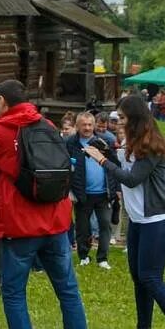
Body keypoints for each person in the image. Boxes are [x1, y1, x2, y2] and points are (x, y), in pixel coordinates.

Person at [0, 80, 93, 329]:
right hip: (55, 220)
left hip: (20, 225)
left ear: (1, 101)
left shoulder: (2, 132)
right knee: (68, 291)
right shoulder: (46, 124)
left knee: (14, 292)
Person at [84, 95, 165, 329]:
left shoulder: (152, 145)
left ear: (135, 117)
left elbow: (132, 179)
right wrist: (109, 151)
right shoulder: (132, 142)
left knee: (151, 277)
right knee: (138, 276)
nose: (117, 122)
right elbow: (124, 161)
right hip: (139, 219)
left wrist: (101, 160)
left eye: (121, 117)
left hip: (157, 220)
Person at [67, 112, 112, 269]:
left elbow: (114, 165)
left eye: (89, 124)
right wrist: (69, 191)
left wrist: (115, 189)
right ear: (77, 126)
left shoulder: (104, 141)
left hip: (103, 193)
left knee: (105, 224)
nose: (87, 128)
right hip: (82, 193)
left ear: (94, 125)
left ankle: (102, 258)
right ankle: (84, 255)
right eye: (83, 125)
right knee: (83, 228)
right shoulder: (70, 143)